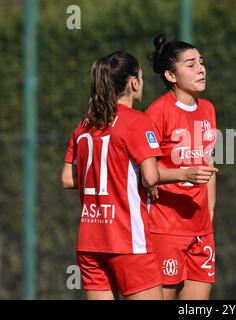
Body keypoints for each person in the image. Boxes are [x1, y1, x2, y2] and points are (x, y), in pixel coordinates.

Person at [61, 51, 163, 300]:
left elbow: (67, 178)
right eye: (141, 77)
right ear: (133, 82)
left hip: (90, 242)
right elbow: (150, 177)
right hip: (128, 240)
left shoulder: (85, 125)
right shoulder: (137, 121)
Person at [144, 33, 218, 300]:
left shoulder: (208, 109)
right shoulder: (157, 112)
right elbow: (145, 173)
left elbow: (209, 167)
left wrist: (208, 218)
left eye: (201, 62)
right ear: (171, 76)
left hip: (201, 231)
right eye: (191, 65)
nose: (201, 69)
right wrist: (184, 173)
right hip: (166, 228)